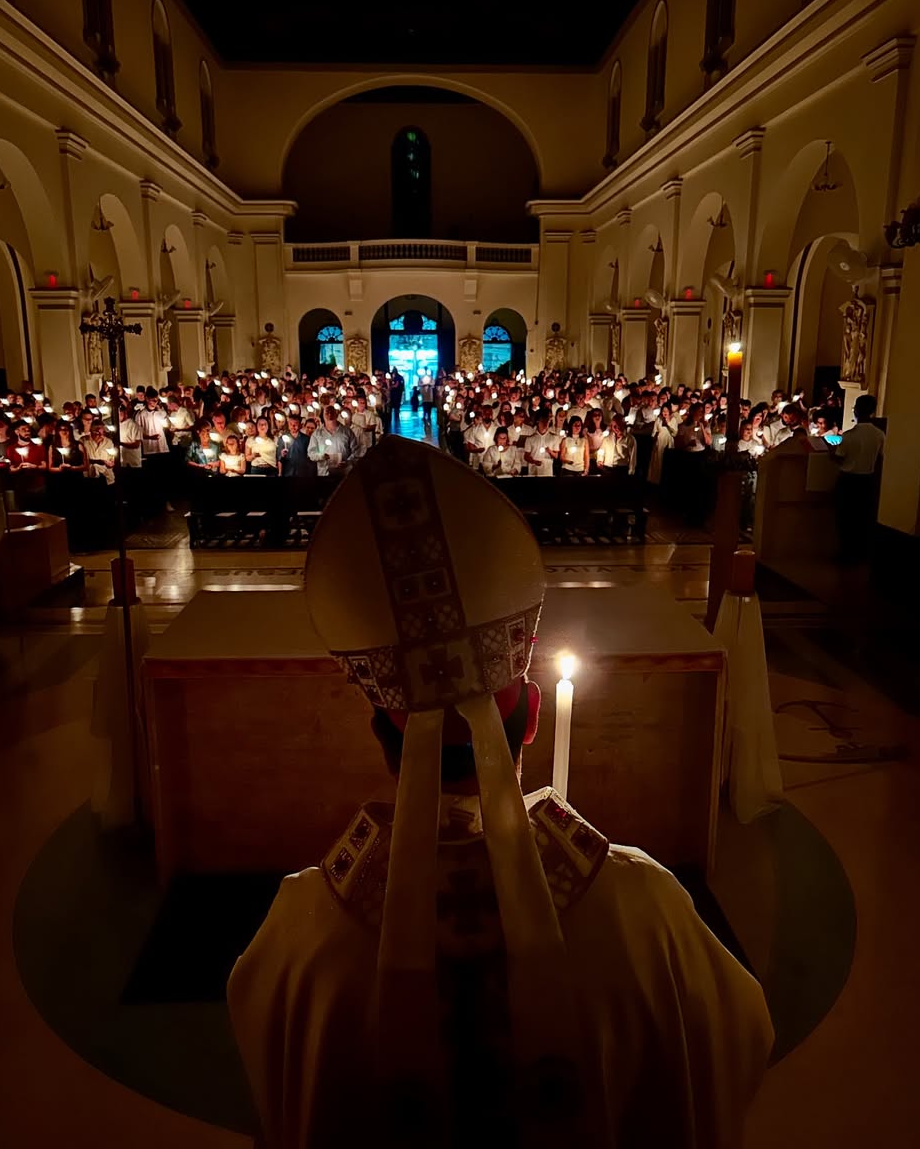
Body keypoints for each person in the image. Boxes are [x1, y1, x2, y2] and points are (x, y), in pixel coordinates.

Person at [228, 437, 773, 1149]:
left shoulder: (302, 934)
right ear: (535, 715)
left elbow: (275, 1075)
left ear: (378, 731)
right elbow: (738, 1038)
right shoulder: (645, 910)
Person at [832, 393, 885, 563]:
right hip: (868, 481)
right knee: (862, 518)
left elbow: (840, 457)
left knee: (846, 519)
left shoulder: (849, 436)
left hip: (849, 480)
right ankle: (860, 554)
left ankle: (846, 553)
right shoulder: (879, 435)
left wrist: (830, 453)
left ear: (856, 411)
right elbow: (881, 458)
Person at [308, 405, 358, 476]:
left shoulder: (347, 432)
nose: (329, 414)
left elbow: (356, 451)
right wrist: (321, 456)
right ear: (323, 415)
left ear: (337, 414)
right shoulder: (317, 434)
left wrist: (348, 462)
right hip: (325, 473)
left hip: (344, 474)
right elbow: (311, 453)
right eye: (327, 412)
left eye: (332, 412)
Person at [523, 409, 559, 477]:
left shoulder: (554, 438)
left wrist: (550, 451)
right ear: (538, 422)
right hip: (533, 471)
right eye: (543, 421)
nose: (545, 424)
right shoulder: (530, 439)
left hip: (547, 472)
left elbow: (556, 456)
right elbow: (526, 456)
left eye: (547, 422)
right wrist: (534, 461)